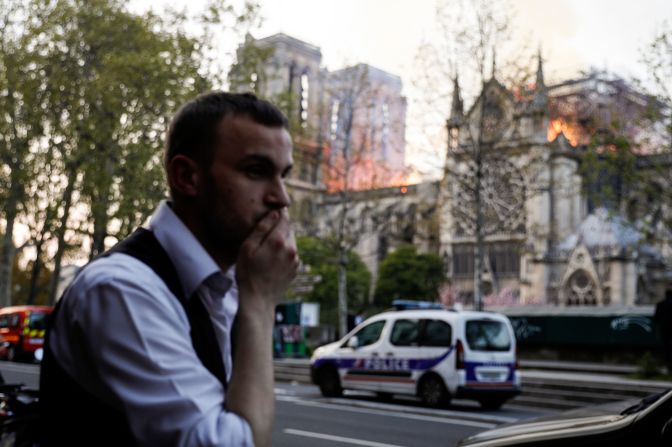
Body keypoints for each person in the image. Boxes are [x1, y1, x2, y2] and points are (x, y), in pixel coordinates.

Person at [39, 92, 298, 446]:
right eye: (256, 171)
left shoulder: (227, 285)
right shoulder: (120, 290)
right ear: (186, 176)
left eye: (284, 175)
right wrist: (262, 305)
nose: (281, 197)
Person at [654, 289, 672, 374]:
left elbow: (656, 318)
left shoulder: (660, 304)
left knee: (665, 348)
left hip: (664, 329)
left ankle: (667, 365)